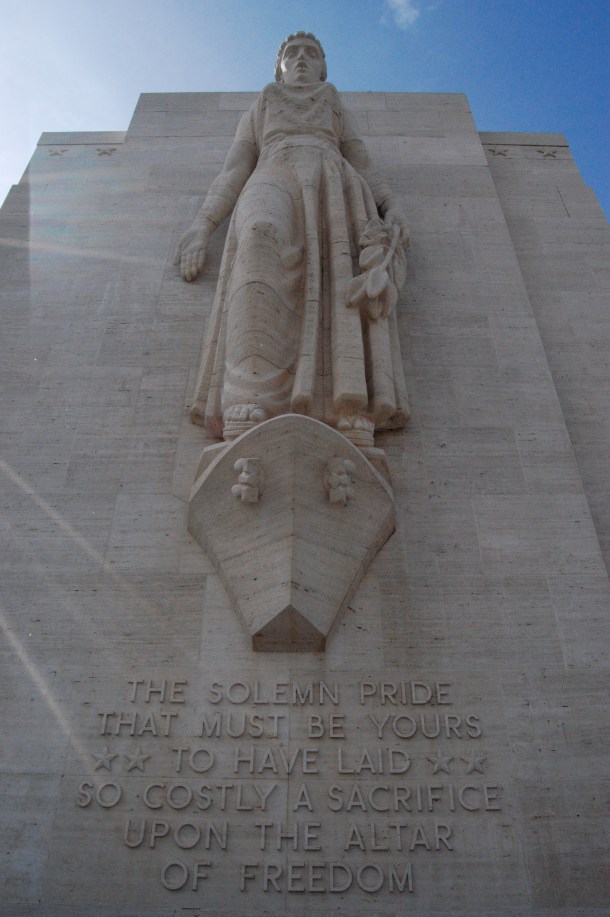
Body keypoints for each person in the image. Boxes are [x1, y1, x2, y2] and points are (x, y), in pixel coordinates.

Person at [175, 32, 410, 446]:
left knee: (341, 278)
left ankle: (348, 406)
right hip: (273, 170)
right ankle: (247, 399)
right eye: (291, 54)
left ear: (323, 66)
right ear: (279, 67)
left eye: (312, 54)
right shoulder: (263, 103)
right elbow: (234, 169)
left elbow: (363, 160)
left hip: (332, 182)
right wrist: (202, 225)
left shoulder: (333, 103)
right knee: (257, 242)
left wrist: (391, 204)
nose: (301, 60)